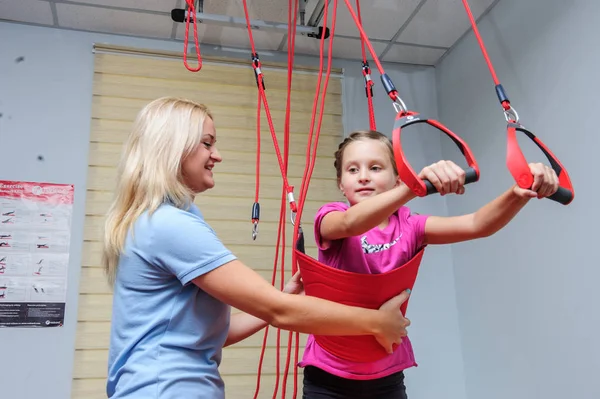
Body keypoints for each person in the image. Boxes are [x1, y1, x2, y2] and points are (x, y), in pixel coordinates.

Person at [101, 98, 414, 399]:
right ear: (172, 147)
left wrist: (286, 296)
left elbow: (216, 334)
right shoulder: (168, 225)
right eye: (207, 143)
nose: (217, 155)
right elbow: (277, 310)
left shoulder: (165, 220)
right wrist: (377, 322)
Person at [299, 130, 559, 399]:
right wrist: (412, 188)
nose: (363, 176)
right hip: (329, 373)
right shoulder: (330, 217)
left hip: (386, 374)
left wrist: (519, 193)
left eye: (375, 168)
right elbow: (351, 224)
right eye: (352, 170)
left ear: (396, 178)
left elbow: (476, 224)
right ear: (341, 183)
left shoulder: (411, 226)